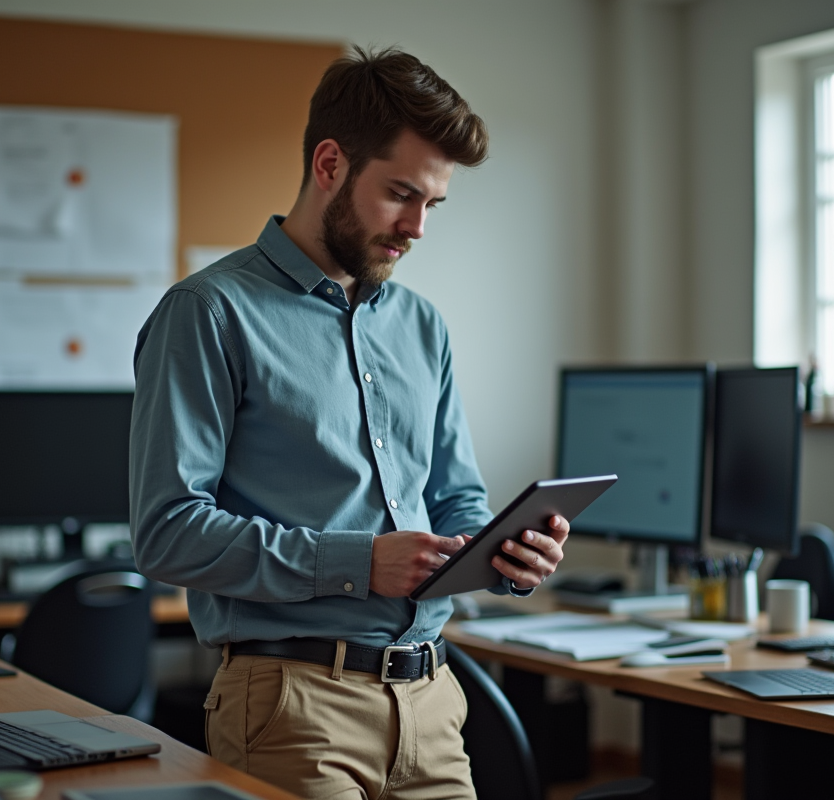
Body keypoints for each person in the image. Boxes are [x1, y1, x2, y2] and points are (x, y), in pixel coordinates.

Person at [130, 46, 570, 799]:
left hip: (433, 702)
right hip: (293, 706)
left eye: (433, 204)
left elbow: (455, 498)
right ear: (329, 164)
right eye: (401, 194)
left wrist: (505, 552)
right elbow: (166, 532)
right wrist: (358, 562)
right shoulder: (208, 312)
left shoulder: (422, 327)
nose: (418, 227)